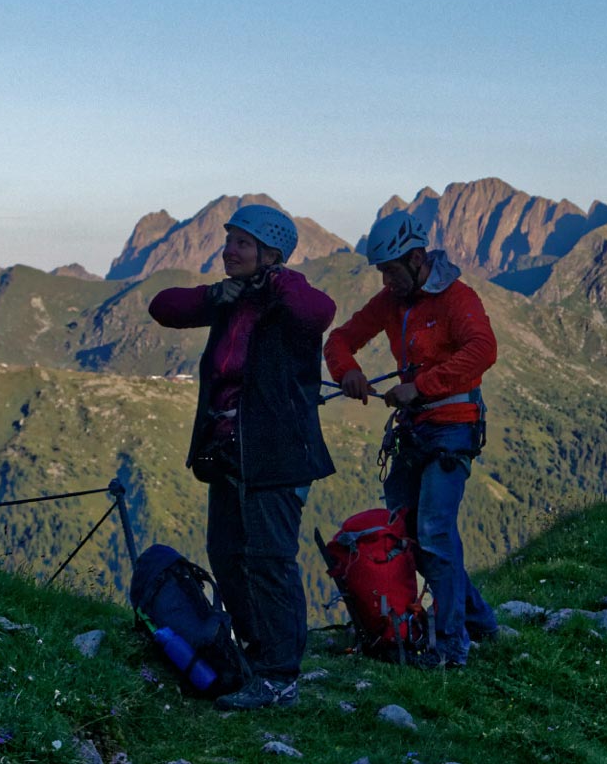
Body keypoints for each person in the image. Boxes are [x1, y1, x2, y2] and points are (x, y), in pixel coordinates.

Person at [147, 203, 336, 710]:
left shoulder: (287, 302)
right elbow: (163, 307)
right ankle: (257, 655)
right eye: (228, 241)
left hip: (277, 456)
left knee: (270, 561)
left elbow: (320, 313)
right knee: (227, 555)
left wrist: (275, 281)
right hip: (229, 453)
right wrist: (217, 294)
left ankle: (280, 674)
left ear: (270, 253)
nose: (228, 251)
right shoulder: (230, 299)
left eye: (242, 244)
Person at [324, 209, 499, 667]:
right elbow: (340, 340)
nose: (386, 280)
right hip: (416, 430)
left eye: (391, 270)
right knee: (411, 534)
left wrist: (419, 387)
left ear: (417, 258)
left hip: (454, 427)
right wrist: (349, 373)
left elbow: (483, 350)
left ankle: (452, 646)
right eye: (382, 271)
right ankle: (479, 620)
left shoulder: (457, 298)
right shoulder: (390, 302)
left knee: (435, 532)